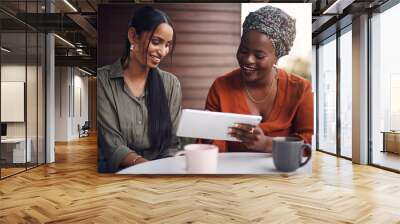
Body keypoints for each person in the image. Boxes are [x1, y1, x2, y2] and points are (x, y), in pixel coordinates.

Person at [205, 5, 313, 153]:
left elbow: (309, 143)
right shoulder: (221, 87)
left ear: (277, 57)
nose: (248, 60)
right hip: (235, 173)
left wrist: (267, 144)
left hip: (284, 174)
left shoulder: (300, 89)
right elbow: (212, 141)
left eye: (259, 56)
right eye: (243, 50)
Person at [97, 6, 182, 172]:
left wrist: (163, 174)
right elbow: (112, 144)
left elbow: (173, 144)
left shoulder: (171, 84)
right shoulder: (103, 81)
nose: (163, 52)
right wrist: (148, 169)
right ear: (133, 36)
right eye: (156, 42)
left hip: (161, 174)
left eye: (168, 45)